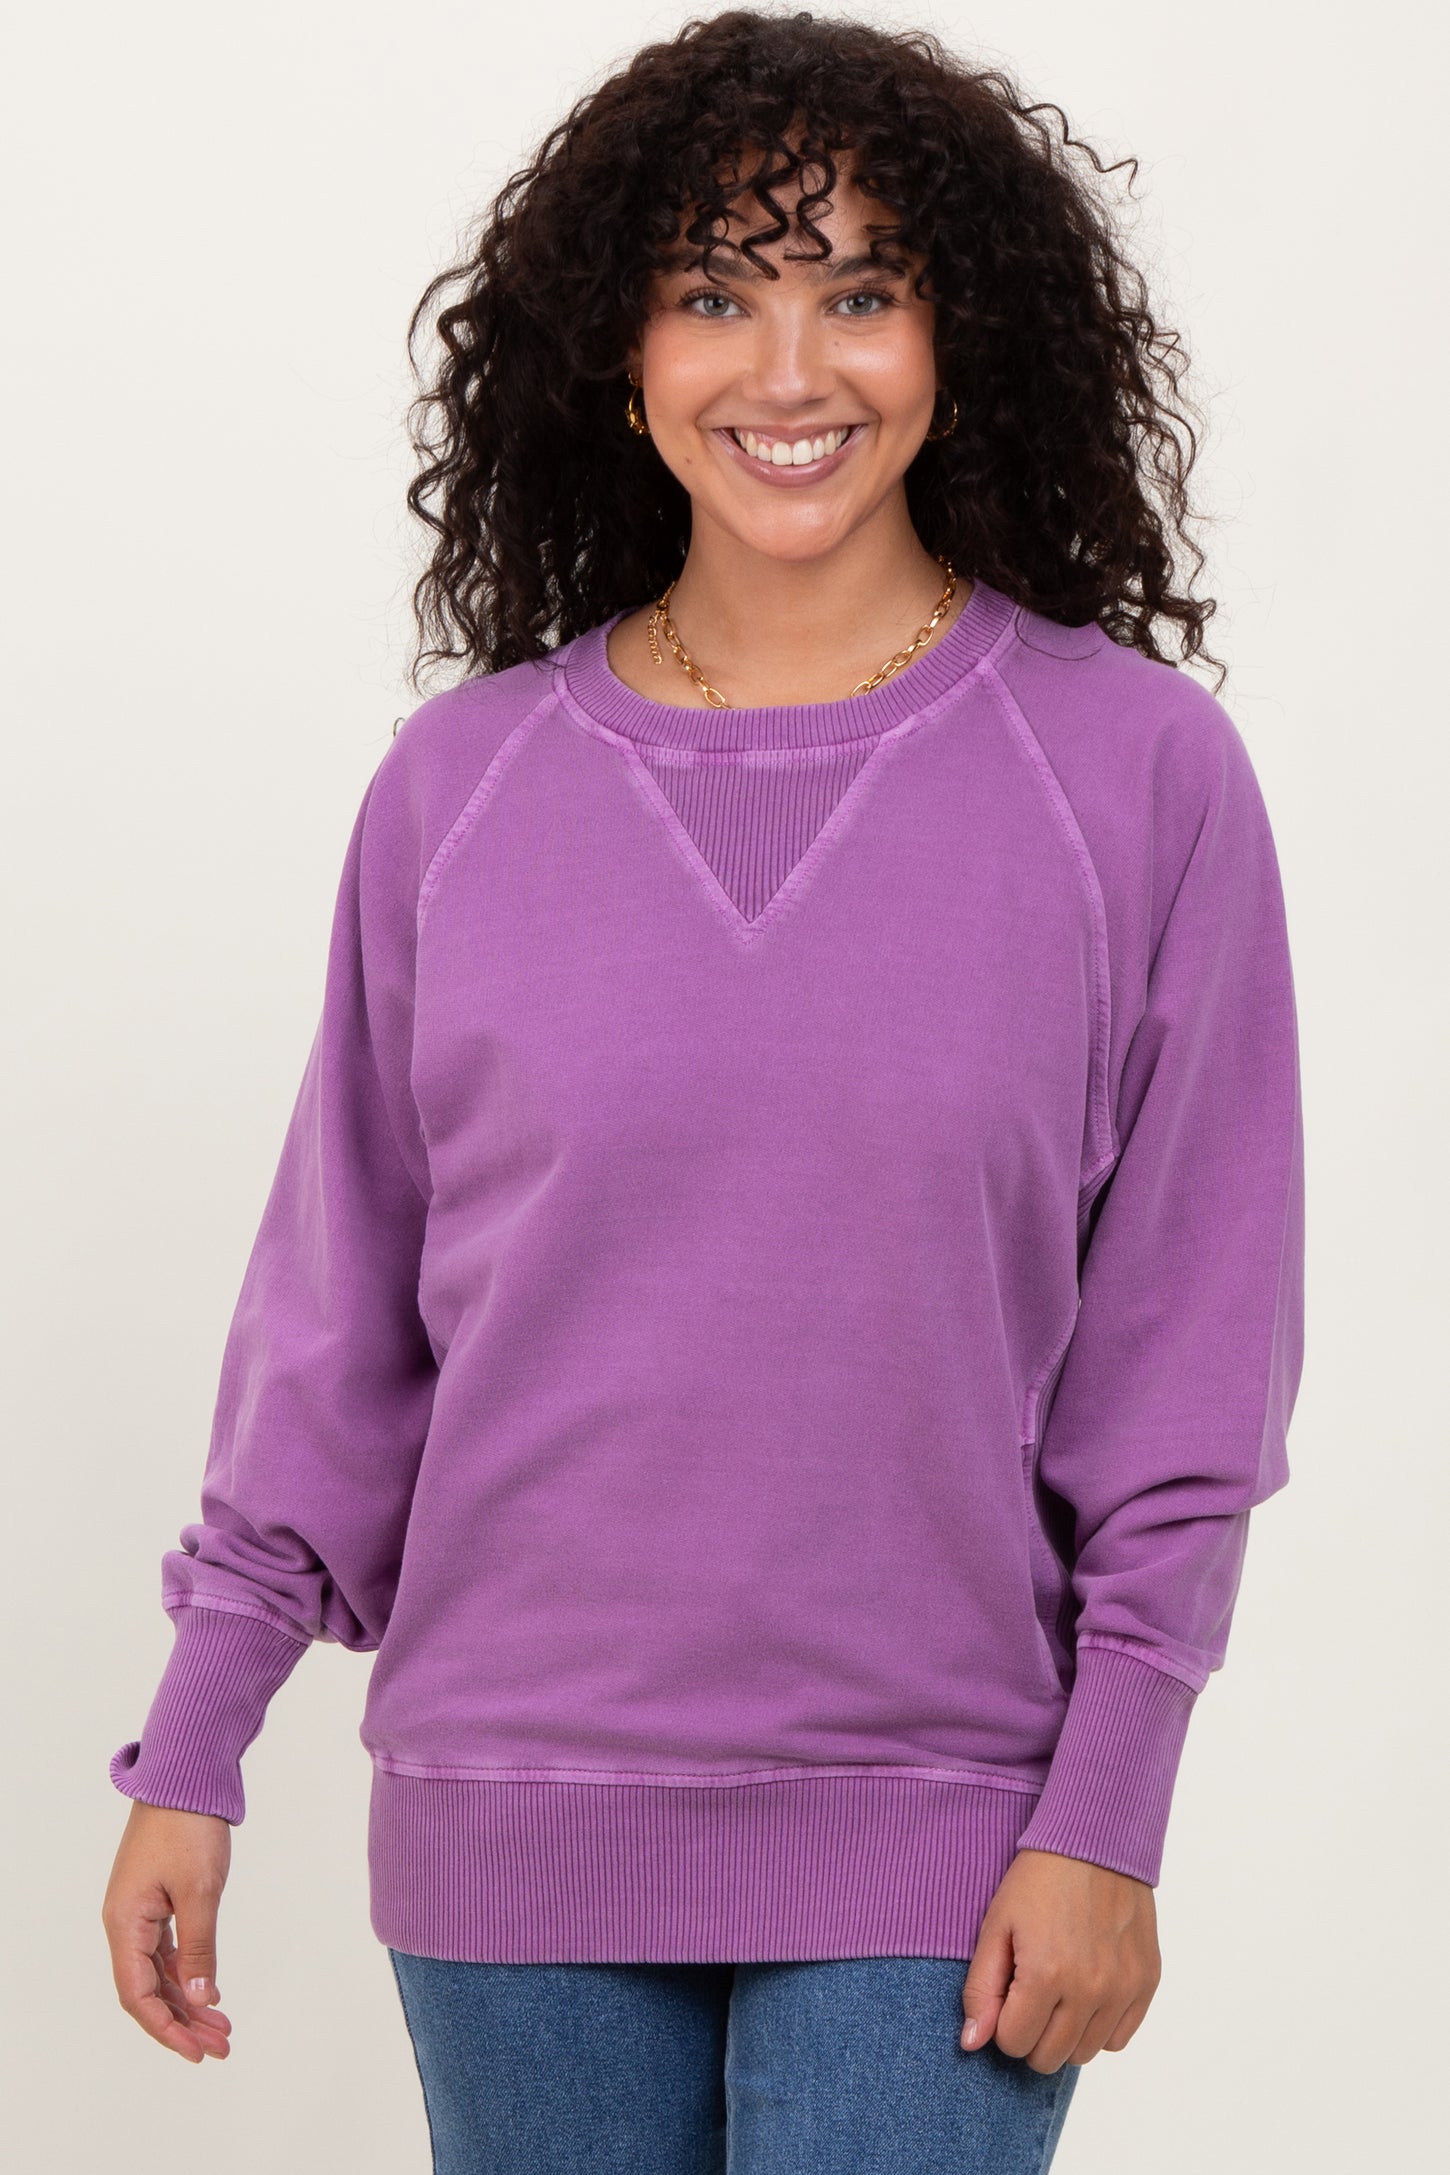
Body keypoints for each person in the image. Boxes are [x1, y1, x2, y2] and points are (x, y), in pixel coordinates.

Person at [100, 11, 1305, 2171]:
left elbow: (1188, 1350)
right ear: (619, 346)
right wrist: (196, 1739)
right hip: (508, 1818)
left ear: (958, 333)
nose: (788, 367)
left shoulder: (1131, 776)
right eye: (714, 295)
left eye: (861, 291)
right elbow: (340, 1311)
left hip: (944, 1820)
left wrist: (1109, 1806)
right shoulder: (461, 790)